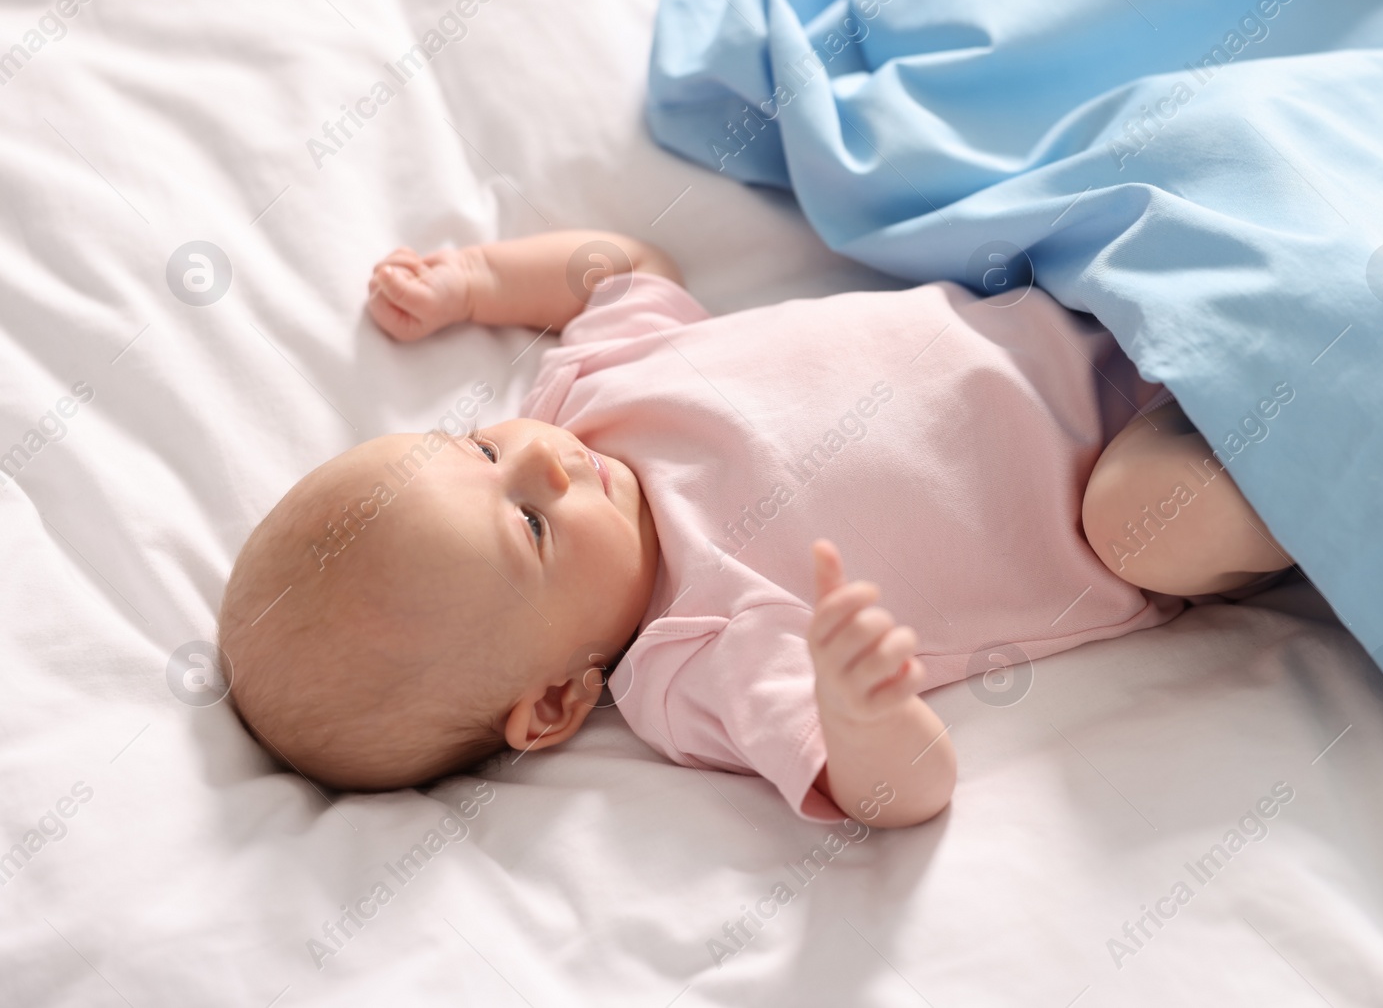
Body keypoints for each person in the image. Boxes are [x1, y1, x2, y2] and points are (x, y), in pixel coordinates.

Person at [218, 230, 1290, 828]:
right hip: (1142, 468)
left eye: (479, 450)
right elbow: (899, 792)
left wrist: (484, 280)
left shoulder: (585, 398)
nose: (540, 460)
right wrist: (859, 707)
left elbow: (626, 269)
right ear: (554, 700)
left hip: (1082, 301)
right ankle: (1331, 461)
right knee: (1154, 526)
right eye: (534, 530)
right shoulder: (694, 659)